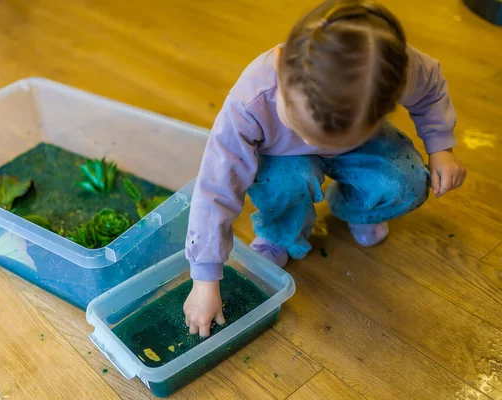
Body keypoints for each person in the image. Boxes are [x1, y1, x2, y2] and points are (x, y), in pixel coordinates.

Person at [183, 0, 466, 338]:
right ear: (280, 66)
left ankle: (354, 208)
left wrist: (440, 148)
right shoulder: (250, 101)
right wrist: (205, 277)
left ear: (382, 106)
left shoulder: (392, 70)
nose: (309, 140)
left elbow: (431, 88)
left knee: (407, 181)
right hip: (284, 159)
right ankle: (280, 234)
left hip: (362, 146)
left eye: (327, 139)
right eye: (297, 124)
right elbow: (216, 186)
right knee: (286, 180)